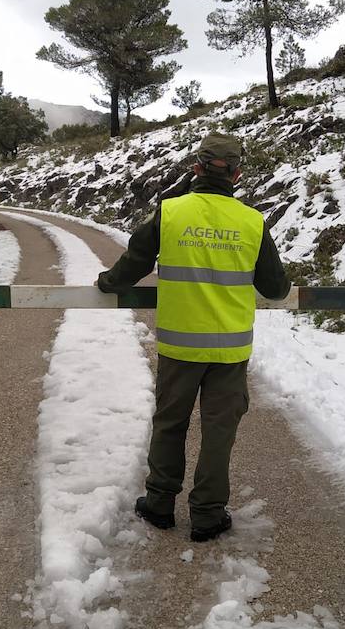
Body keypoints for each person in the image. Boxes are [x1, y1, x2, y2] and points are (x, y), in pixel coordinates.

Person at [96, 133, 290, 542]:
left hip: (180, 347)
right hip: (230, 350)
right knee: (219, 432)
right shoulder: (252, 222)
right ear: (237, 175)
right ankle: (207, 514)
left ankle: (160, 504)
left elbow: (132, 265)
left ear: (196, 169)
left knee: (170, 424)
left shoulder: (171, 212)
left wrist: (108, 282)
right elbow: (276, 289)